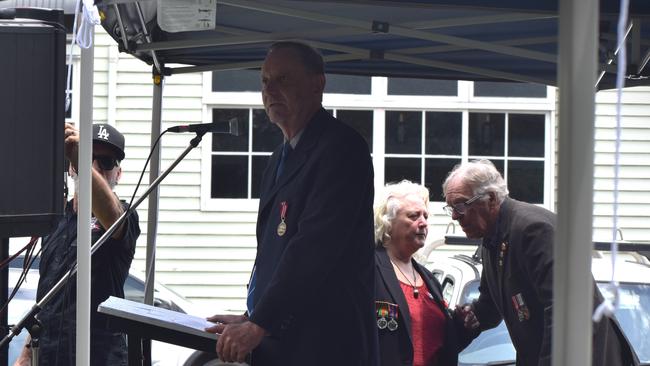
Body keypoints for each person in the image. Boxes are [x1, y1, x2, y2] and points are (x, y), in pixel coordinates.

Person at [205, 41, 377, 365]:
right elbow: (273, 254)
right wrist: (251, 315)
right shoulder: (277, 159)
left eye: (283, 79)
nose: (270, 90)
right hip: (283, 344)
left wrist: (261, 321)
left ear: (317, 84)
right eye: (264, 81)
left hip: (325, 346)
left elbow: (313, 248)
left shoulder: (340, 149)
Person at [442, 159, 637, 366]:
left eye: (461, 205)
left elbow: (563, 311)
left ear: (490, 199)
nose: (455, 216)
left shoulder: (533, 230)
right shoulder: (493, 237)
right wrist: (473, 316)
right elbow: (491, 304)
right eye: (451, 208)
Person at [15, 123, 140, 366]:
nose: (94, 166)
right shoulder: (57, 219)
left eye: (106, 162)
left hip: (99, 357)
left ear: (118, 173)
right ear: (71, 168)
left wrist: (81, 159)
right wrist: (25, 356)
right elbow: (47, 299)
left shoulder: (124, 215)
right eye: (87, 158)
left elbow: (112, 216)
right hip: (50, 355)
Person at [373, 180, 464, 366]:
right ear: (388, 222)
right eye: (414, 216)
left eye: (425, 216)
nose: (423, 223)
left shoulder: (428, 279)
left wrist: (462, 326)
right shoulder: (368, 271)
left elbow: (440, 343)